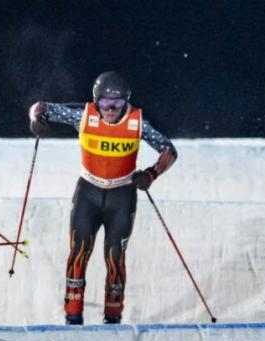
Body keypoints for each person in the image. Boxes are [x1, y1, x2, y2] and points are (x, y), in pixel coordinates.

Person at [28, 71, 177, 325]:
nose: (110, 110)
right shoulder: (84, 115)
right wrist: (37, 121)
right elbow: (40, 107)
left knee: (115, 256)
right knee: (79, 251)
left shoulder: (137, 122)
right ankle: (73, 315)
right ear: (96, 101)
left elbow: (169, 150)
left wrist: (151, 174)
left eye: (117, 104)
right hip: (89, 192)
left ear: (126, 102)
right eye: (105, 104)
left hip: (122, 195)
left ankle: (113, 316)